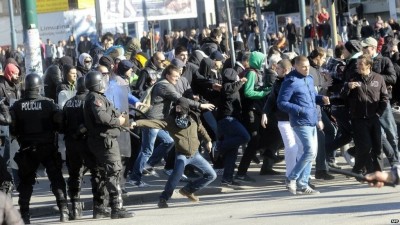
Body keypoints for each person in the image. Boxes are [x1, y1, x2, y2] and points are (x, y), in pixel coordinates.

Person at [131, 97, 216, 208]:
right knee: (175, 176)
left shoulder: (194, 117)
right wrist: (137, 123)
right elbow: (155, 123)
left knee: (211, 175)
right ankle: (163, 198)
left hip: (195, 154)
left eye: (181, 108)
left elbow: (202, 129)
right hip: (182, 155)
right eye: (177, 107)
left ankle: (188, 190)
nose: (178, 110)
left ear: (186, 108)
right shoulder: (171, 120)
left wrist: (208, 141)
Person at [10, 73, 69, 224]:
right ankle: (64, 211)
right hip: (47, 148)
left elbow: (12, 129)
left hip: (27, 149)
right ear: (38, 88)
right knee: (56, 179)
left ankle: (24, 215)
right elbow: (59, 125)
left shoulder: (17, 106)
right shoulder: (49, 104)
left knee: (25, 184)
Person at [83, 71, 134, 219]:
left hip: (103, 140)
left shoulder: (98, 97)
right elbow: (102, 117)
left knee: (103, 174)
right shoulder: (94, 98)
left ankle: (100, 208)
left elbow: (111, 113)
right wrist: (119, 122)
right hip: (105, 142)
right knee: (113, 173)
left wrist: (121, 117)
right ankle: (117, 208)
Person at [277, 56, 330, 195]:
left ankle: (303, 183)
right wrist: (299, 109)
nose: (307, 69)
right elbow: (282, 103)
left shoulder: (309, 78)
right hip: (300, 121)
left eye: (308, 66)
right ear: (295, 67)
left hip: (312, 119)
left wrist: (321, 99)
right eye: (303, 67)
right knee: (310, 151)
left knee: (312, 154)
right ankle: (291, 178)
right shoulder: (290, 81)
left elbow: (312, 98)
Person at [340, 54, 389, 175]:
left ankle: (378, 172)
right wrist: (347, 87)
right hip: (358, 119)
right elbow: (343, 96)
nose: (357, 66)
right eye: (357, 64)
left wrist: (378, 113)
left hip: (374, 118)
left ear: (368, 65)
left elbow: (384, 97)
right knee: (365, 146)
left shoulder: (378, 78)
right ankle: (358, 169)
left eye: (360, 64)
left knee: (377, 147)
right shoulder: (353, 78)